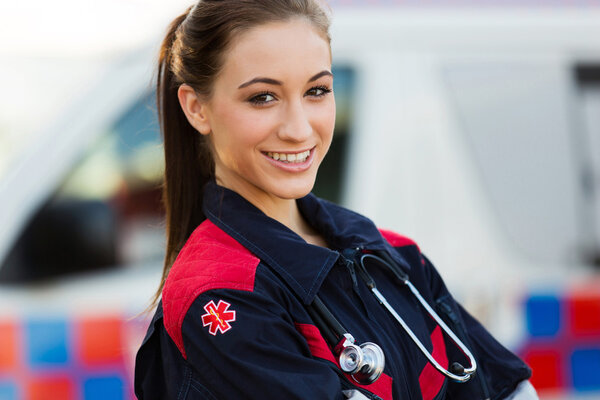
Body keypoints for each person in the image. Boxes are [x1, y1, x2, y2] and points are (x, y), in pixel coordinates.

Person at [134, 1, 538, 399]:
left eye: (317, 91)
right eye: (263, 97)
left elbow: (505, 386)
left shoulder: (391, 254)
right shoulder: (219, 293)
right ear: (196, 107)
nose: (298, 129)